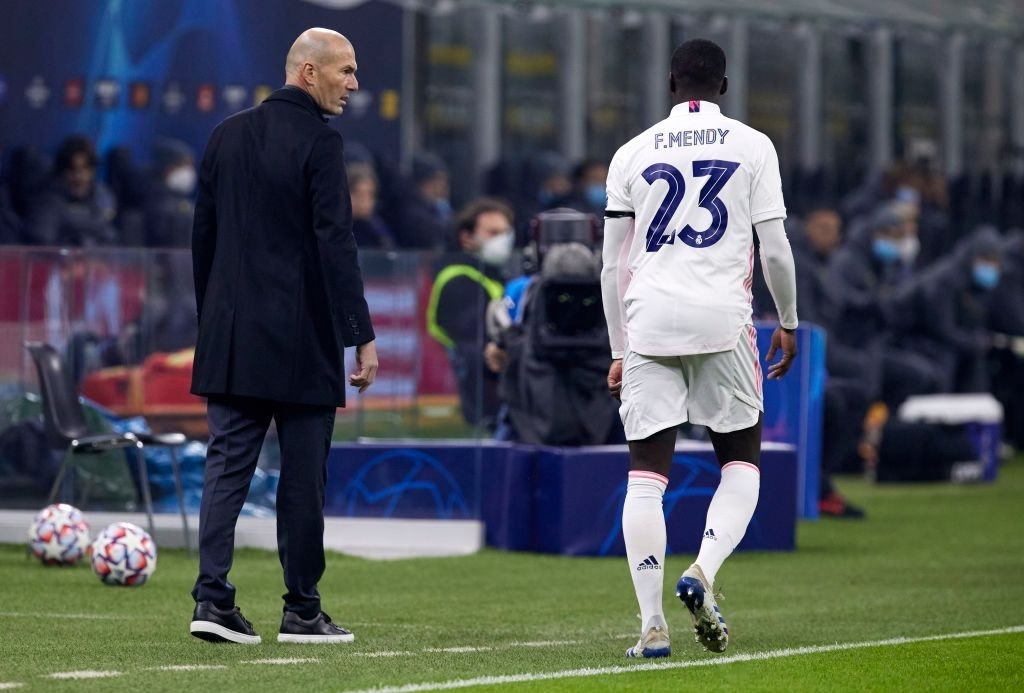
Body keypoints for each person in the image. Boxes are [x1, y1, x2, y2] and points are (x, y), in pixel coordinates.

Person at [600, 38, 798, 658]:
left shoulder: (630, 153)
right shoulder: (753, 145)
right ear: (724, 85)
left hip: (649, 322)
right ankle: (703, 571)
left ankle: (651, 626)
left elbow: (612, 267)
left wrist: (618, 348)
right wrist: (788, 319)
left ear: (669, 83)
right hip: (722, 320)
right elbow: (776, 248)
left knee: (645, 477)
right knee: (740, 462)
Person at [189, 27, 378, 646]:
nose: (353, 84)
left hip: (232, 336)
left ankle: (211, 601)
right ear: (308, 73)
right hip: (301, 340)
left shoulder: (224, 135)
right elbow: (336, 244)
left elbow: (204, 242)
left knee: (226, 470)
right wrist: (361, 335)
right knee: (302, 481)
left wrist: (214, 319)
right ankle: (302, 610)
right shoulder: (321, 143)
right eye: (345, 71)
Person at [426, 198, 514, 432]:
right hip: (478, 404)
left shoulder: (491, 275)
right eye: (493, 232)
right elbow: (476, 340)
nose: (502, 240)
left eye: (506, 232)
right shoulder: (459, 279)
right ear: (467, 238)